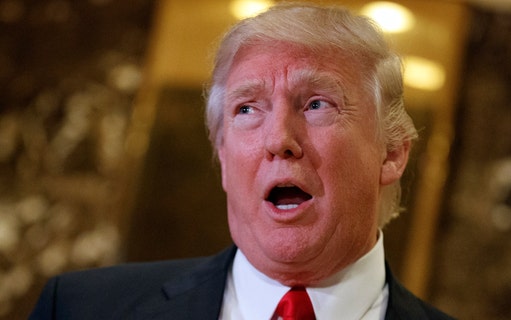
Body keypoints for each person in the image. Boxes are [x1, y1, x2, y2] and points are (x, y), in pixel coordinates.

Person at [29, 3, 454, 319]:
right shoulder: (77, 309)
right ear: (223, 156)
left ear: (392, 153)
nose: (279, 139)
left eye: (317, 104)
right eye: (247, 109)